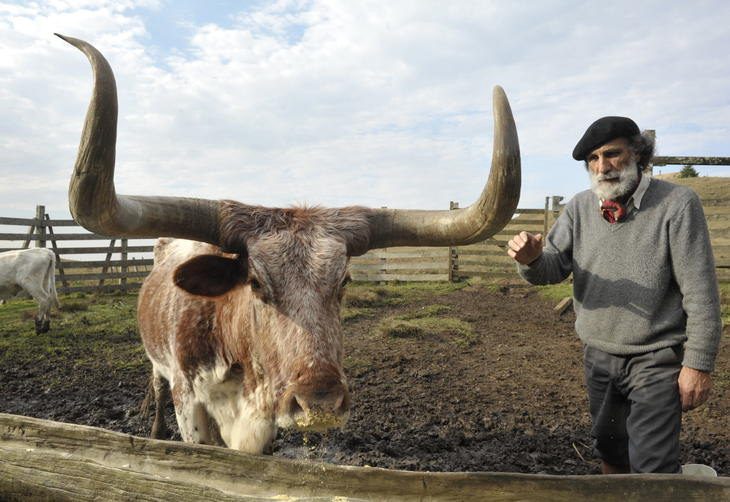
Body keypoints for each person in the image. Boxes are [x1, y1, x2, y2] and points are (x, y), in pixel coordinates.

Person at [507, 116, 722, 474]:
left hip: (656, 358)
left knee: (652, 467)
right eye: (592, 159)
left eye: (612, 154)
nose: (602, 167)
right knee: (611, 454)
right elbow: (552, 268)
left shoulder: (677, 204)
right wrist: (530, 260)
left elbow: (701, 292)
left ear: (638, 154)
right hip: (599, 355)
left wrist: (698, 363)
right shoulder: (579, 207)